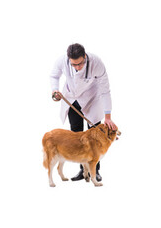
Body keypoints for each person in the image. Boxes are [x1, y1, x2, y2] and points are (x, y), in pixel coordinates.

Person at [49, 43, 118, 182]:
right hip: (72, 99)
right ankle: (83, 170)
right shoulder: (62, 61)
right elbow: (54, 76)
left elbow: (105, 90)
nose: (77, 67)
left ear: (85, 56)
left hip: (91, 99)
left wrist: (108, 117)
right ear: (69, 59)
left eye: (80, 64)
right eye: (74, 64)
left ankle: (95, 171)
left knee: (96, 136)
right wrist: (55, 89)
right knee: (76, 134)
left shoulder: (96, 63)